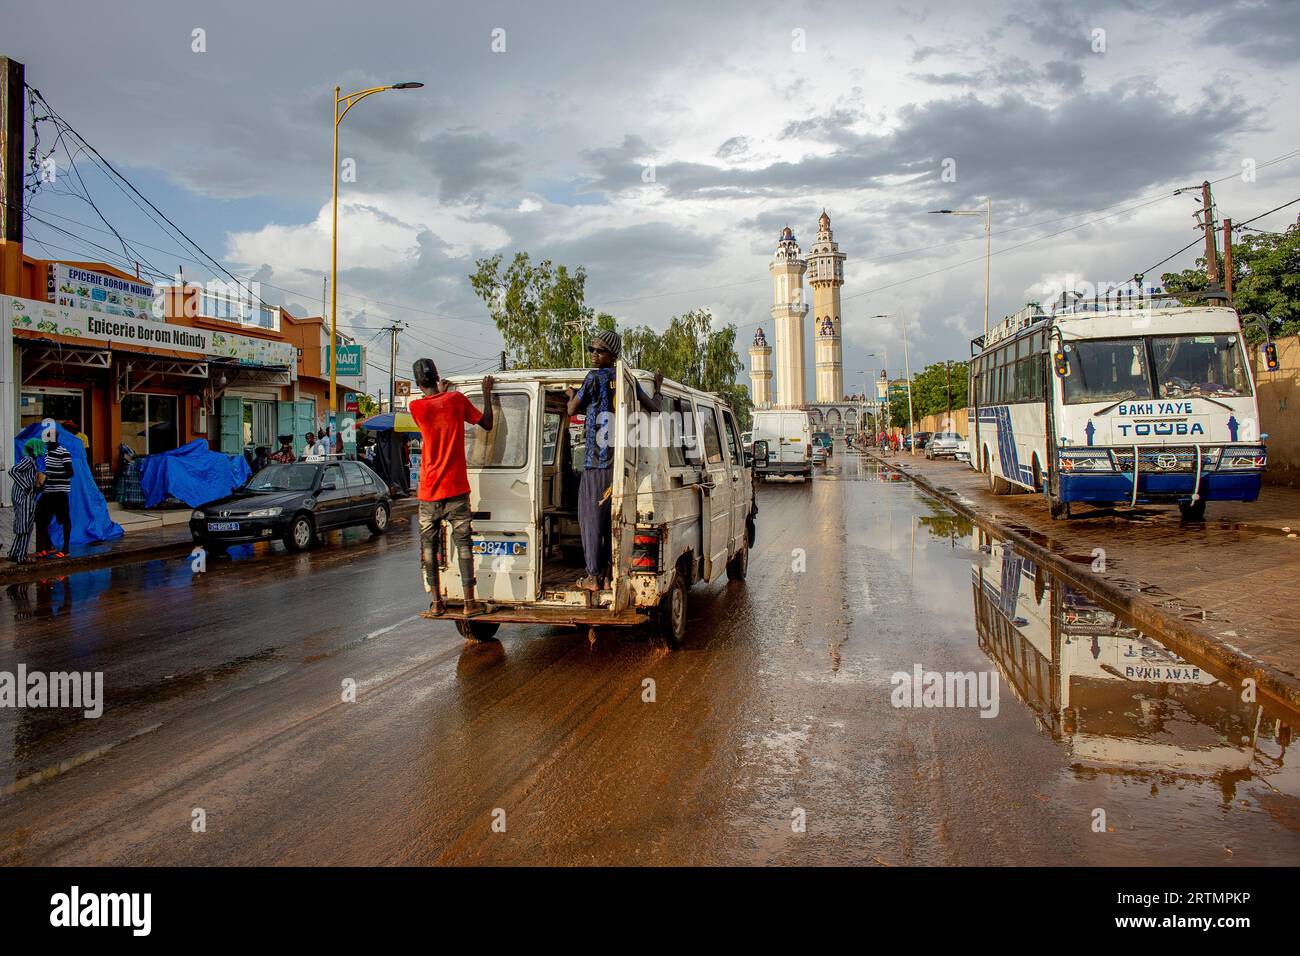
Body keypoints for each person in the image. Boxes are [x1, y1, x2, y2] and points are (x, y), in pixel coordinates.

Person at [564, 329, 662, 592]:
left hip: (595, 462)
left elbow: (573, 410)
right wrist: (659, 389)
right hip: (619, 465)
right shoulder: (625, 381)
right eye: (592, 350)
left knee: (591, 521)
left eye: (600, 351)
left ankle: (593, 577)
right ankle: (608, 573)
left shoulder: (593, 378)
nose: (594, 355)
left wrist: (571, 394)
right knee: (610, 521)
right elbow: (654, 408)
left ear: (612, 354)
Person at [408, 357, 495, 621]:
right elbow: (487, 423)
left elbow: (433, 408)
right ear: (437, 376)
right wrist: (486, 394)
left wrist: (442, 393)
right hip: (456, 489)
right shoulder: (456, 401)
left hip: (428, 492)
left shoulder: (415, 407)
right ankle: (470, 603)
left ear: (417, 383)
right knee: (464, 546)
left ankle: (436, 602)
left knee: (428, 549)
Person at [34, 433, 73, 559]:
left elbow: (69, 473)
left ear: (54, 441)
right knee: (39, 517)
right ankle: (49, 546)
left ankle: (66, 549)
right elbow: (49, 470)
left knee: (65, 520)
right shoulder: (47, 453)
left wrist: (51, 477)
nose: (46, 444)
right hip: (48, 492)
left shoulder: (63, 452)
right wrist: (42, 481)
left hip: (60, 492)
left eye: (48, 442)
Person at [7, 438, 46, 563]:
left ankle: (14, 553)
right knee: (25, 527)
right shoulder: (28, 460)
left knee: (23, 526)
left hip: (24, 496)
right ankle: (21, 556)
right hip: (24, 497)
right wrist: (26, 486)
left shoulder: (31, 461)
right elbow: (12, 471)